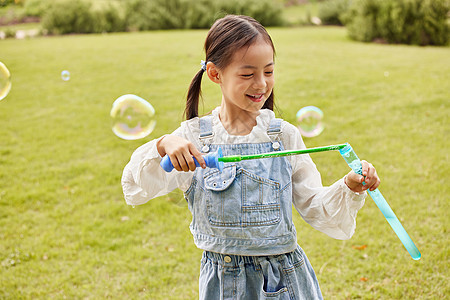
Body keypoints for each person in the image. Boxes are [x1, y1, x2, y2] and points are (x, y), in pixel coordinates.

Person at [122, 14, 380, 300]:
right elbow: (136, 189)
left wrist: (349, 186)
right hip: (222, 285)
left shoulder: (282, 136)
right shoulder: (193, 138)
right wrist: (162, 144)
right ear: (215, 74)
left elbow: (314, 205)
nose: (261, 84)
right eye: (247, 74)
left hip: (284, 282)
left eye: (268, 72)